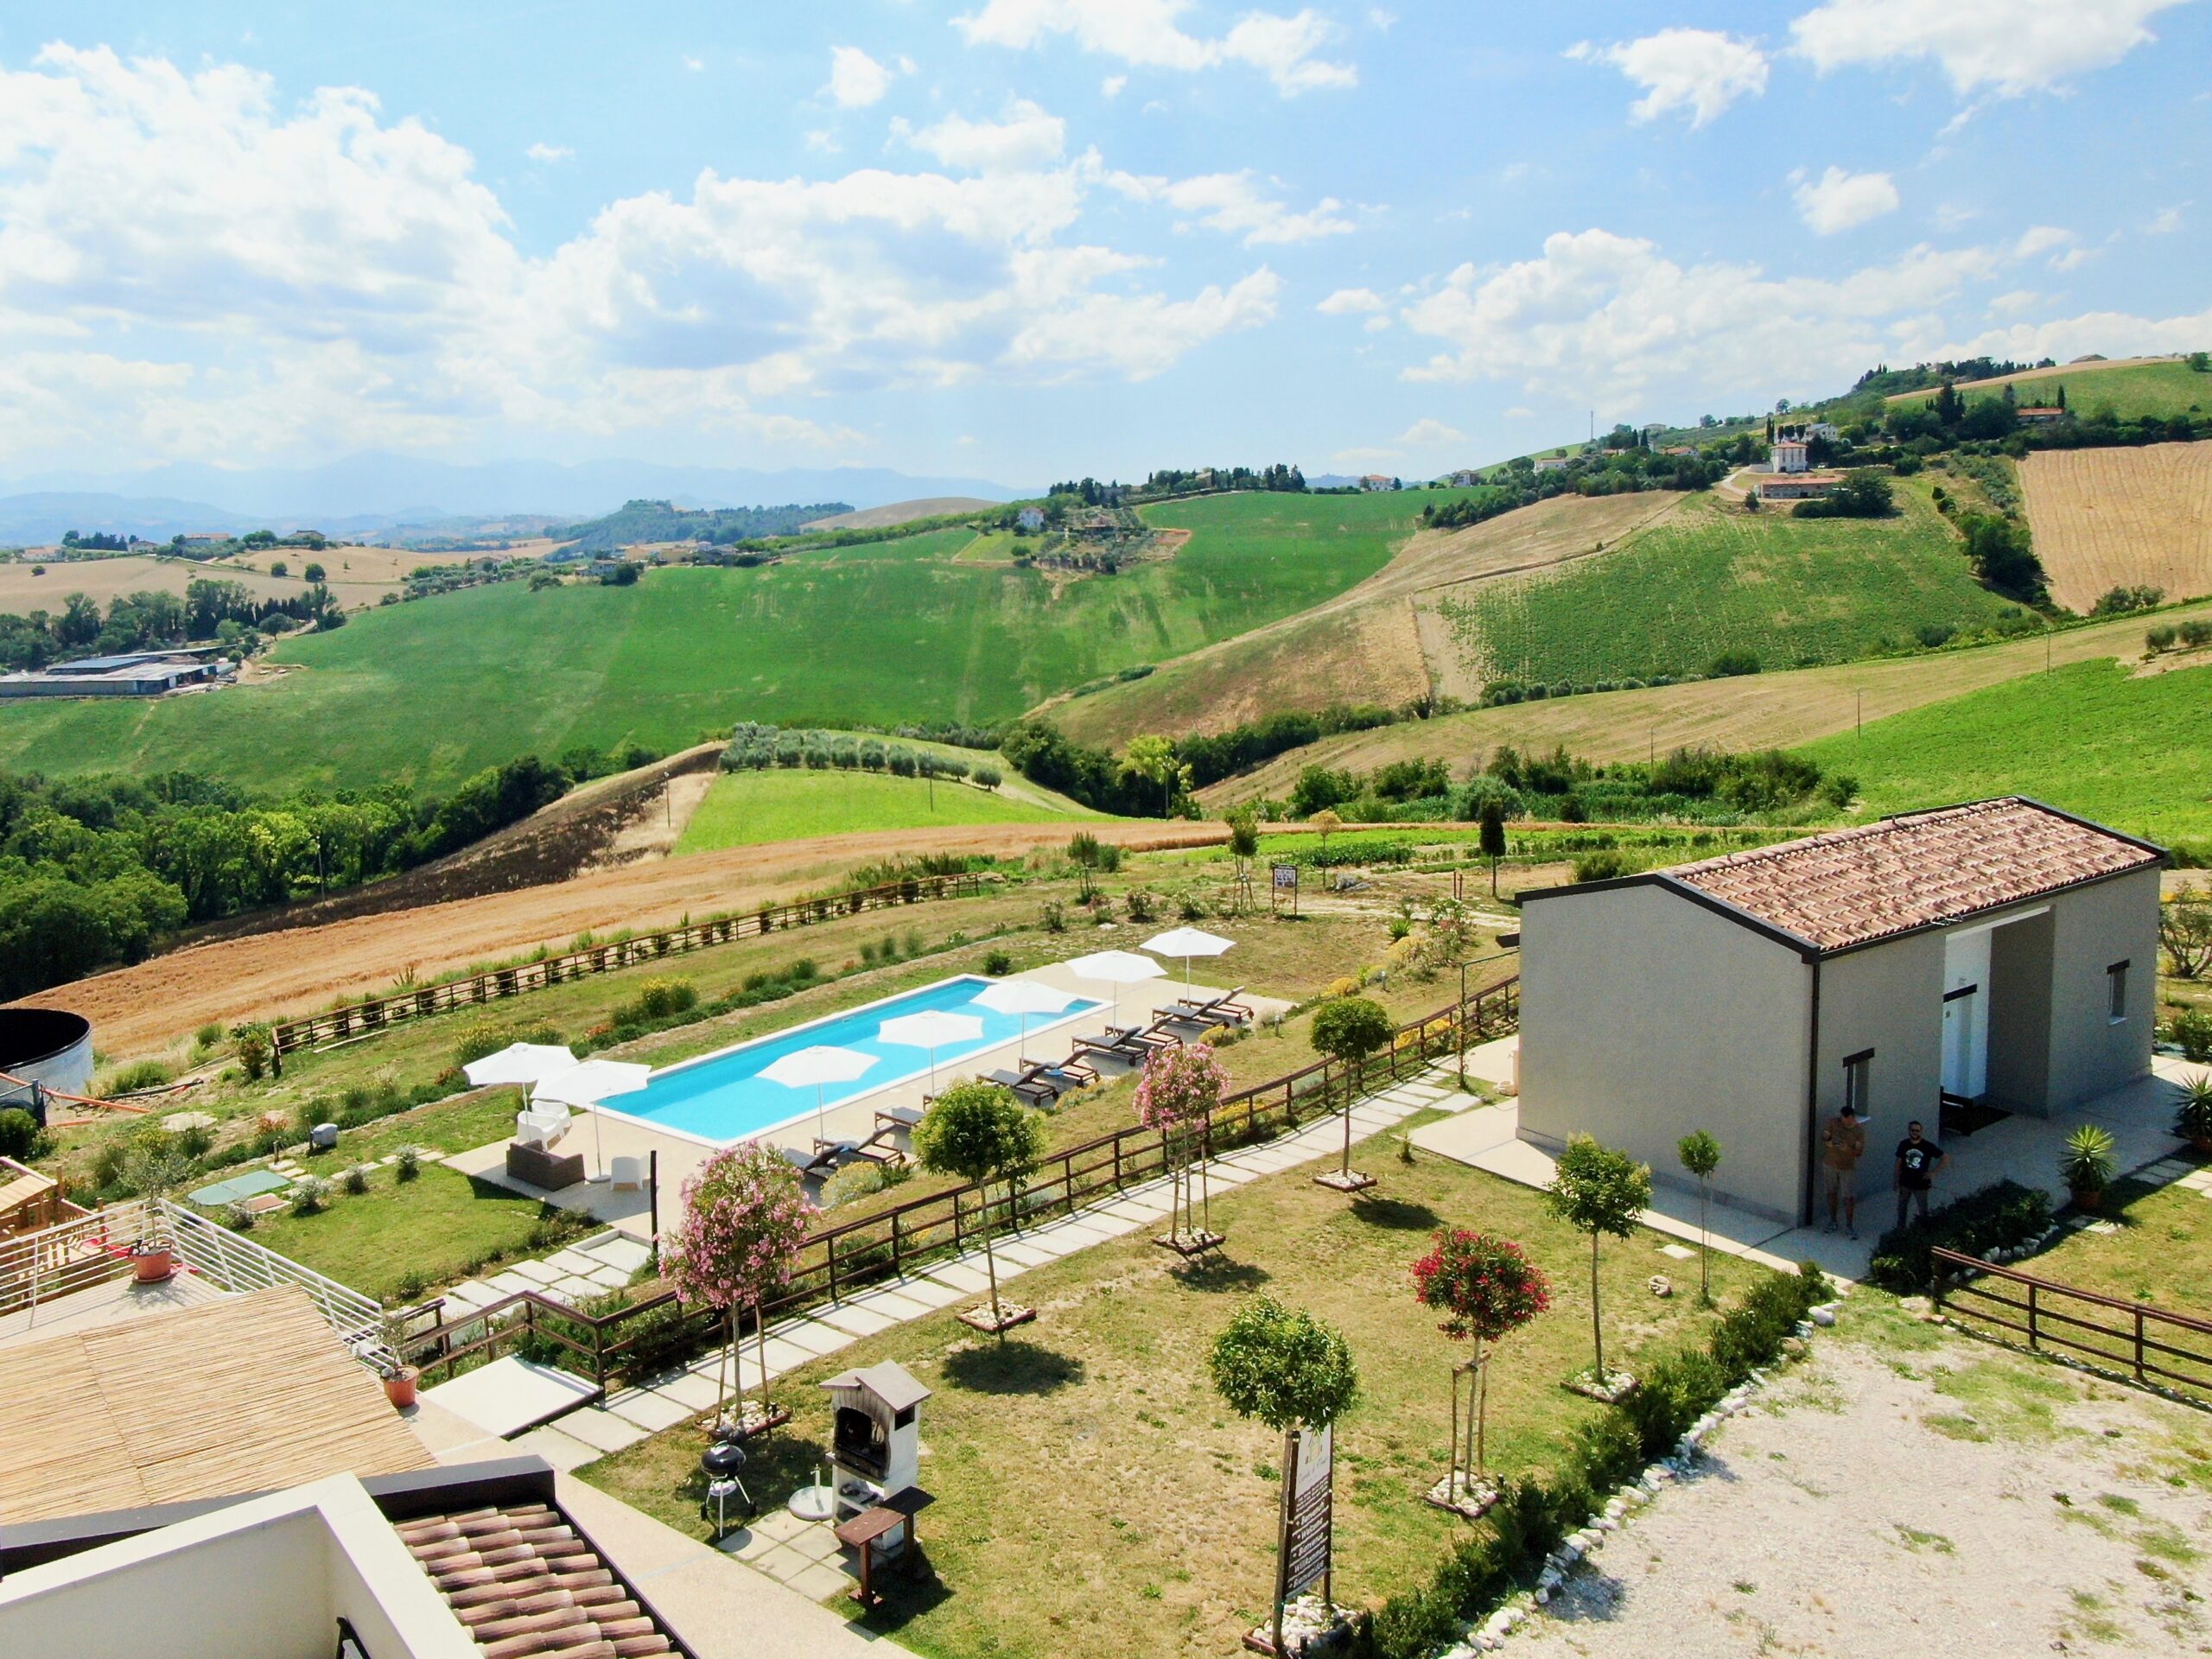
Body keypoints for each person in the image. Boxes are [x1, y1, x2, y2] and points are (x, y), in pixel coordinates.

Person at [1821, 1103, 1866, 1238]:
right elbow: (1825, 1136)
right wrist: (1828, 1141)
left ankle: (1849, 1225)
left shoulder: (1858, 1131)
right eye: (1842, 1118)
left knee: (1848, 1197)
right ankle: (1833, 1221)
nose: (1844, 1121)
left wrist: (1846, 1149)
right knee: (1831, 1193)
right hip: (1830, 1164)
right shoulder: (1834, 1123)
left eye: (1847, 1118)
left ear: (1852, 1117)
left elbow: (1858, 1153)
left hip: (1847, 1167)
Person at [1894, 1120, 1947, 1230]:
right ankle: (1900, 1231)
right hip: (1905, 1182)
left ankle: (1923, 1231)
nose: (1915, 1132)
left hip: (1921, 1184)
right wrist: (1896, 1180)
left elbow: (1945, 1158)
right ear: (1909, 1131)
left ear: (1921, 1132)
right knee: (1902, 1208)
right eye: (1913, 1130)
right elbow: (1898, 1163)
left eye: (1917, 1131)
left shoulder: (1928, 1146)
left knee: (1923, 1209)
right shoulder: (1904, 1144)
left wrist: (1934, 1172)